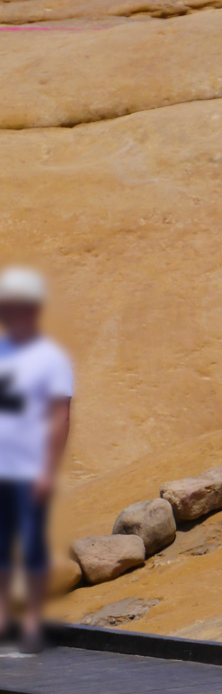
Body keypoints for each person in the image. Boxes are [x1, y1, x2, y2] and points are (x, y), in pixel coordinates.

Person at [0, 267, 73, 655]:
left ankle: (31, 623)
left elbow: (60, 416)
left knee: (30, 546)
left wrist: (48, 469)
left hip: (30, 469)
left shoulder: (51, 359)